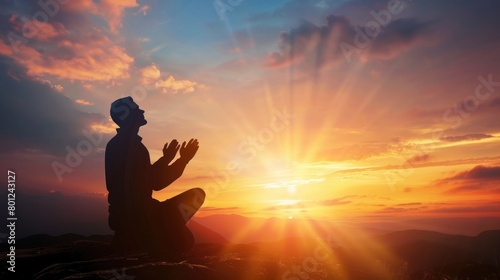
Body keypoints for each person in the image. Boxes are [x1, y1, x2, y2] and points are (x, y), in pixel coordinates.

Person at [105, 96, 205, 253]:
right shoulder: (133, 148)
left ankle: (148, 235)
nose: (142, 111)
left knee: (184, 238)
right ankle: (152, 237)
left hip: (125, 217)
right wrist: (183, 160)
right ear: (129, 116)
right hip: (142, 216)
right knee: (196, 197)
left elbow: (145, 177)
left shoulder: (119, 145)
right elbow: (155, 182)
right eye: (137, 110)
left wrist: (165, 160)